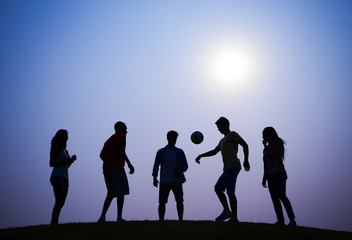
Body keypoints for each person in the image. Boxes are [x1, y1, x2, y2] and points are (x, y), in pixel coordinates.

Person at [196, 117, 250, 222]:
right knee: (218, 188)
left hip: (234, 166)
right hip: (226, 169)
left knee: (230, 191)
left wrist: (246, 160)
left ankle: (234, 217)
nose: (218, 129)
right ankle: (226, 211)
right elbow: (214, 151)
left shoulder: (232, 134)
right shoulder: (222, 140)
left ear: (225, 125)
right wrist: (200, 155)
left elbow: (245, 145)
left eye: (219, 126)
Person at [98, 121, 135, 222]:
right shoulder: (121, 135)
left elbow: (101, 155)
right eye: (125, 128)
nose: (126, 131)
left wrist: (108, 160)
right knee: (121, 192)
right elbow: (120, 149)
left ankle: (102, 216)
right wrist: (129, 164)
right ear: (121, 128)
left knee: (111, 192)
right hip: (117, 167)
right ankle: (119, 217)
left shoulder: (109, 140)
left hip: (106, 167)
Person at [262, 127, 296, 226]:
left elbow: (272, 155)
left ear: (269, 134)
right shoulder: (265, 149)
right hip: (270, 176)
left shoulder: (276, 143)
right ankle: (280, 220)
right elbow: (265, 164)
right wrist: (264, 177)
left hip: (279, 174)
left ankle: (292, 220)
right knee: (274, 199)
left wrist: (266, 147)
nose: (262, 137)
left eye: (264, 134)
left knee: (282, 196)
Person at [152, 130, 188, 221]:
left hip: (177, 180)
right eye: (172, 139)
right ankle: (161, 220)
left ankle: (180, 220)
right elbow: (156, 165)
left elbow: (185, 165)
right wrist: (154, 177)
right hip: (164, 180)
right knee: (162, 202)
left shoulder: (180, 152)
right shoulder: (161, 152)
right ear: (168, 139)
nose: (174, 140)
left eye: (175, 139)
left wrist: (180, 170)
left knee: (179, 200)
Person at [49, 129, 77, 224]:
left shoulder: (65, 150)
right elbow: (51, 163)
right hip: (57, 176)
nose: (67, 137)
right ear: (61, 136)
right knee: (59, 200)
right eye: (66, 135)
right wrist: (67, 161)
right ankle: (54, 222)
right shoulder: (55, 147)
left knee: (62, 202)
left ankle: (55, 222)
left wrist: (71, 161)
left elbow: (66, 166)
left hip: (65, 177)